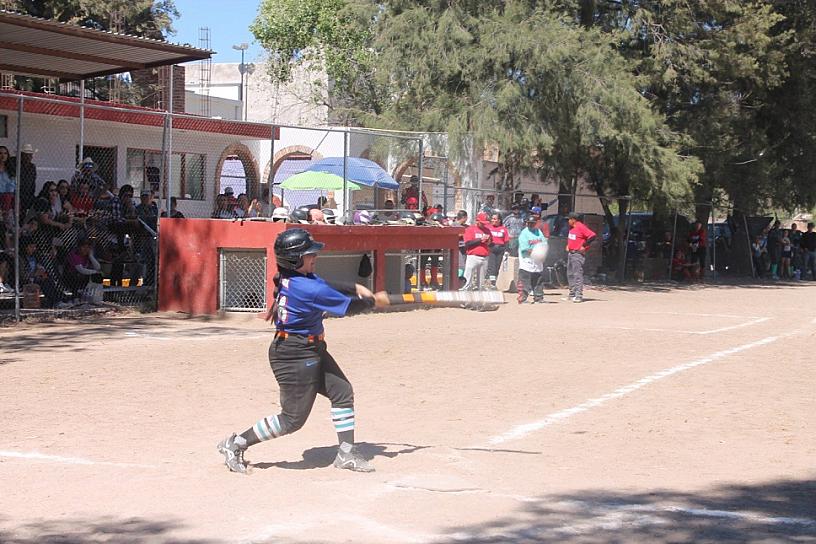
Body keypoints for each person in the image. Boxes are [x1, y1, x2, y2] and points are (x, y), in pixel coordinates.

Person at [217, 229, 389, 474]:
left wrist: (354, 287)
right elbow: (347, 307)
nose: (314, 256)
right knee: (292, 420)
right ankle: (235, 444)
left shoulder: (295, 278)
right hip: (294, 354)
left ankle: (346, 453)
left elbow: (325, 284)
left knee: (342, 391)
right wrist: (372, 302)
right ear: (294, 259)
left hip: (310, 347)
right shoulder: (306, 289)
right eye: (309, 254)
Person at [565, 212, 596, 303]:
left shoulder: (580, 226)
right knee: (570, 274)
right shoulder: (572, 228)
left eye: (569, 219)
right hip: (571, 253)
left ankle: (578, 295)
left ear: (573, 220)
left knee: (577, 274)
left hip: (577, 254)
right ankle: (572, 293)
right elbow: (574, 238)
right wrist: (568, 245)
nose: (568, 221)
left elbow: (592, 236)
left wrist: (584, 246)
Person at [517, 213, 546, 303]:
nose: (531, 225)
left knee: (538, 280)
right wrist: (537, 253)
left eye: (533, 223)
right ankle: (522, 298)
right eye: (529, 223)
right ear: (526, 223)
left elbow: (544, 243)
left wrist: (542, 253)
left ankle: (538, 297)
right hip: (527, 260)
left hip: (537, 260)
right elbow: (525, 248)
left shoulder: (538, 231)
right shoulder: (524, 233)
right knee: (525, 280)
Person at [461, 212, 492, 290]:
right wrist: (480, 240)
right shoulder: (470, 229)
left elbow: (491, 243)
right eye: (482, 223)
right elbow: (467, 243)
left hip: (484, 257)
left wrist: (489, 242)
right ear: (477, 221)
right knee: (468, 279)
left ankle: (479, 299)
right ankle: (465, 299)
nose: (483, 225)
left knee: (480, 283)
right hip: (473, 256)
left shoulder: (487, 230)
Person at [487, 212, 509, 286]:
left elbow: (506, 241)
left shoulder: (503, 229)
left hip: (500, 248)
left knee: (498, 265)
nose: (493, 220)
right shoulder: (488, 227)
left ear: (499, 220)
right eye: (492, 219)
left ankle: (496, 280)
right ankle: (492, 282)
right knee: (491, 265)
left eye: (495, 219)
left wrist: (506, 251)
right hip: (491, 247)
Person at [16, 144, 38, 216]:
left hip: (28, 194)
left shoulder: (32, 167)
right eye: (26, 155)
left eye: (30, 155)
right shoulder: (17, 165)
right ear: (21, 155)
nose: (29, 157)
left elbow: (33, 181)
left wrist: (32, 194)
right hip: (18, 193)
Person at [0, 146, 15, 213]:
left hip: (6, 195)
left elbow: (12, 184)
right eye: (0, 153)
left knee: (8, 197)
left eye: (5, 153)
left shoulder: (10, 169)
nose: (3, 155)